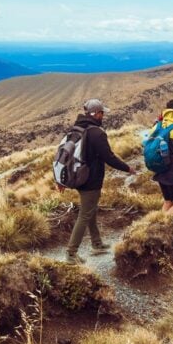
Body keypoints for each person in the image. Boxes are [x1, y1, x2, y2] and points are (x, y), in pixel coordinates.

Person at [63, 99, 136, 264]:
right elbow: (109, 157)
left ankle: (97, 243)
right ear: (96, 114)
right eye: (102, 113)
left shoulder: (77, 128)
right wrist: (127, 168)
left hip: (78, 177)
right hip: (91, 180)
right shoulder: (97, 133)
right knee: (85, 214)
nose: (103, 115)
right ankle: (71, 253)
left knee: (91, 210)